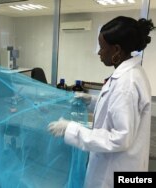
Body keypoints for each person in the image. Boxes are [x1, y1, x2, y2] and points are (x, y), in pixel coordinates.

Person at [48, 16, 155, 188]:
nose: (99, 52)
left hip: (113, 173)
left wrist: (71, 129)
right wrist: (91, 101)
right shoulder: (131, 74)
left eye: (102, 47)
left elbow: (120, 138)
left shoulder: (126, 83)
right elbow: (117, 106)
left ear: (117, 50)